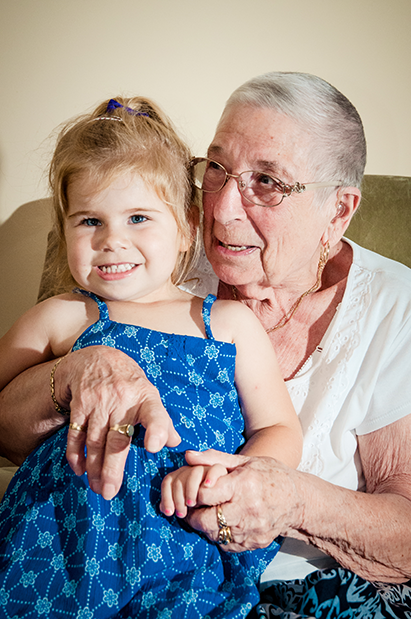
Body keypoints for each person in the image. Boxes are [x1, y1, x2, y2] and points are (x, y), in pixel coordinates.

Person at [1, 71, 410, 618]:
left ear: (338, 211)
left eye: (267, 181)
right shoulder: (134, 267)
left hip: (222, 577)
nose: (221, 210)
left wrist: (267, 490)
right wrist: (75, 371)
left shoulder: (389, 308)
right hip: (69, 552)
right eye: (215, 169)